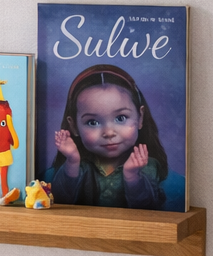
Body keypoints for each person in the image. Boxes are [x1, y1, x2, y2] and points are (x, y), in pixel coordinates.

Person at [48, 64, 167, 208]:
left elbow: (148, 207)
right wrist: (72, 161)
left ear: (140, 118)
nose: (109, 132)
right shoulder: (81, 166)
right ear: (74, 126)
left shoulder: (147, 166)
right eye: (92, 122)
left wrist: (132, 175)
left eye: (121, 118)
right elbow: (60, 200)